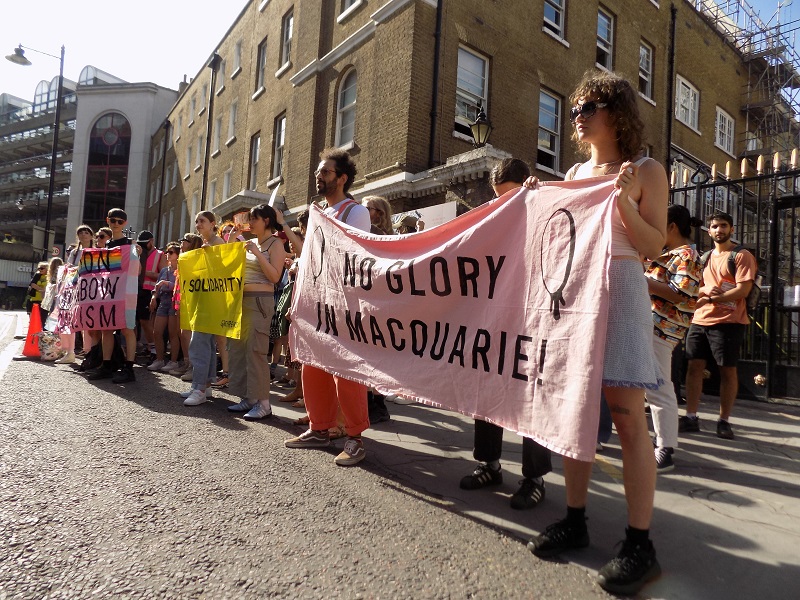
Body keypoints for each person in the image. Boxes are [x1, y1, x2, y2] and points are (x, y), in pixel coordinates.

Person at [524, 71, 667, 596]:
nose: (577, 114)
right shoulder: (575, 170)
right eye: (576, 106)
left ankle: (639, 543)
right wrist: (539, 199)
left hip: (623, 289)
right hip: (577, 294)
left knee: (629, 418)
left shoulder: (648, 169)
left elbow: (653, 247)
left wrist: (626, 200)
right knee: (576, 412)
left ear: (617, 112)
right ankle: (576, 519)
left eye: (589, 105)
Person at [459, 158, 553, 510]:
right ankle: (489, 463)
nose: (503, 203)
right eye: (498, 197)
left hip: (533, 316)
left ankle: (534, 477)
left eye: (509, 196)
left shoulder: (543, 208)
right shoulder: (493, 215)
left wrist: (538, 200)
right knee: (487, 389)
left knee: (531, 396)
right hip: (495, 315)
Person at [285, 148, 372, 466]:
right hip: (316, 302)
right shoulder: (320, 213)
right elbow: (314, 256)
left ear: (342, 178)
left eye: (325, 172)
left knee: (347, 372)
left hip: (344, 304)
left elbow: (358, 259)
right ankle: (319, 427)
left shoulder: (355, 212)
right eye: (318, 172)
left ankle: (356, 438)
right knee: (313, 366)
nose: (318, 177)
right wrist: (299, 265)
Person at [679, 212, 757, 440]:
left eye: (723, 226)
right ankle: (691, 417)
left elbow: (743, 290)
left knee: (727, 371)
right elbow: (695, 286)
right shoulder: (704, 258)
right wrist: (704, 292)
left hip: (728, 321)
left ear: (731, 229)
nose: (719, 230)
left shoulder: (741, 256)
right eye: (714, 226)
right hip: (700, 319)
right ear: (709, 231)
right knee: (693, 368)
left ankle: (724, 421)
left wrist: (712, 298)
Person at [644, 204, 703, 471]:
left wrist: (639, 278)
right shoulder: (670, 253)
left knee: (659, 388)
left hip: (660, 330)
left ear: (672, 227)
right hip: (650, 326)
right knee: (651, 388)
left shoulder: (687, 255)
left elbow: (679, 293)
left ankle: (665, 447)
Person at [225, 204, 288, 419]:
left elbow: (275, 277)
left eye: (254, 219)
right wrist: (231, 242)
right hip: (242, 302)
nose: (250, 223)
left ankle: (263, 403)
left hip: (260, 302)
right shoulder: (252, 243)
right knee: (240, 350)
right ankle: (249, 398)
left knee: (256, 352)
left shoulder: (275, 243)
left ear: (267, 221)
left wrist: (256, 254)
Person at [86, 208, 140, 384]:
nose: (116, 224)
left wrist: (136, 256)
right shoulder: (106, 246)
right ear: (107, 220)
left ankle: (129, 368)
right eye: (113, 220)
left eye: (120, 221)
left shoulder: (130, 245)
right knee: (106, 328)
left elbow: (137, 271)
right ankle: (107, 365)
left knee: (127, 329)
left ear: (124, 223)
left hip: (126, 293)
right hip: (109, 293)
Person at [182, 212, 226, 406]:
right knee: (206, 343)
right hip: (204, 298)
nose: (198, 224)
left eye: (202, 221)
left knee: (199, 342)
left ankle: (199, 388)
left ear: (212, 224)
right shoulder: (205, 244)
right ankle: (204, 385)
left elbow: (224, 271)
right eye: (197, 221)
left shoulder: (218, 243)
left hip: (212, 300)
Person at [169, 233, 204, 378]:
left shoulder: (197, 259)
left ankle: (193, 366)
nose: (182, 244)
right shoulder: (183, 259)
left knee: (188, 334)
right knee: (181, 333)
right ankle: (186, 362)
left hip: (192, 299)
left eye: (185, 241)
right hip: (181, 297)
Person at [147, 242, 181, 373]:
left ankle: (173, 361)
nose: (167, 255)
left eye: (171, 252)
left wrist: (166, 283)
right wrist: (154, 297)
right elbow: (157, 287)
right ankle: (159, 359)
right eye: (167, 252)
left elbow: (179, 287)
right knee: (157, 331)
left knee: (173, 333)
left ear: (178, 255)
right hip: (163, 301)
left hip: (174, 301)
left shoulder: (180, 270)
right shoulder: (163, 270)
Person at [135, 230, 166, 363]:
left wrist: (145, 273)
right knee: (135, 321)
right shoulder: (137, 253)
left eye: (144, 243)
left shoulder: (160, 254)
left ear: (151, 241)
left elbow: (163, 274)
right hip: (136, 289)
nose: (142, 245)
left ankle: (153, 349)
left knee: (146, 321)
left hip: (150, 291)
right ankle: (146, 348)